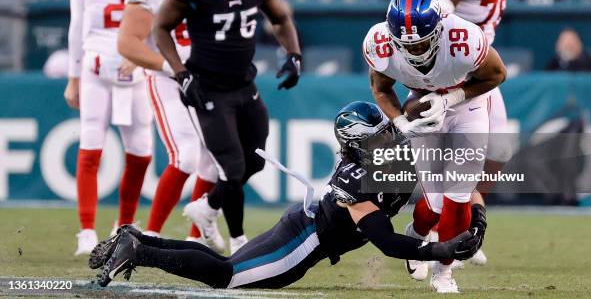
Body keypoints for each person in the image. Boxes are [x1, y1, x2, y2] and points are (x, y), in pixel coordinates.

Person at [91, 101, 487, 288]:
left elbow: (461, 177)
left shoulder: (396, 153)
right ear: (360, 145)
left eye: (387, 132)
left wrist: (478, 213)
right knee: (227, 276)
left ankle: (139, 239)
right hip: (302, 241)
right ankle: (140, 251)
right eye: (380, 137)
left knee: (226, 263)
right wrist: (441, 250)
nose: (390, 140)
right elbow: (384, 241)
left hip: (302, 225)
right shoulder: (356, 180)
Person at [153, 0, 302, 255]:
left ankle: (207, 207)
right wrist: (180, 73)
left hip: (243, 84)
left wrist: (293, 54)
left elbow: (280, 17)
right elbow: (160, 28)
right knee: (232, 168)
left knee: (256, 162)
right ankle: (238, 242)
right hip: (207, 86)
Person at [364, 0, 506, 293]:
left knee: (458, 196)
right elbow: (381, 89)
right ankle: (416, 231)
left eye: (422, 43)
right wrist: (400, 120)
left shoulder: (463, 36)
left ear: (439, 27)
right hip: (422, 107)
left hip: (468, 106)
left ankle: (444, 274)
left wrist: (452, 97)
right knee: (437, 202)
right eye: (407, 45)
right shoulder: (380, 43)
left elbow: (496, 75)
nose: (415, 51)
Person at [60, 0, 157, 256]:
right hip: (96, 60)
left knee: (142, 149)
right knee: (90, 144)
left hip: (135, 61)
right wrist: (72, 76)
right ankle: (86, 230)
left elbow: (159, 14)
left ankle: (125, 225)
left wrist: (143, 51)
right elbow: (77, 23)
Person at [116, 0, 222, 250]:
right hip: (167, 79)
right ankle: (150, 236)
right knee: (186, 156)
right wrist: (172, 67)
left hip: (205, 76)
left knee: (215, 158)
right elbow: (129, 42)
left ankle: (197, 237)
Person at [429, 0, 514, 270]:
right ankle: (439, 236)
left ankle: (465, 226)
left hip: (481, 65)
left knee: (498, 152)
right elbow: (436, 16)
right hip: (455, 70)